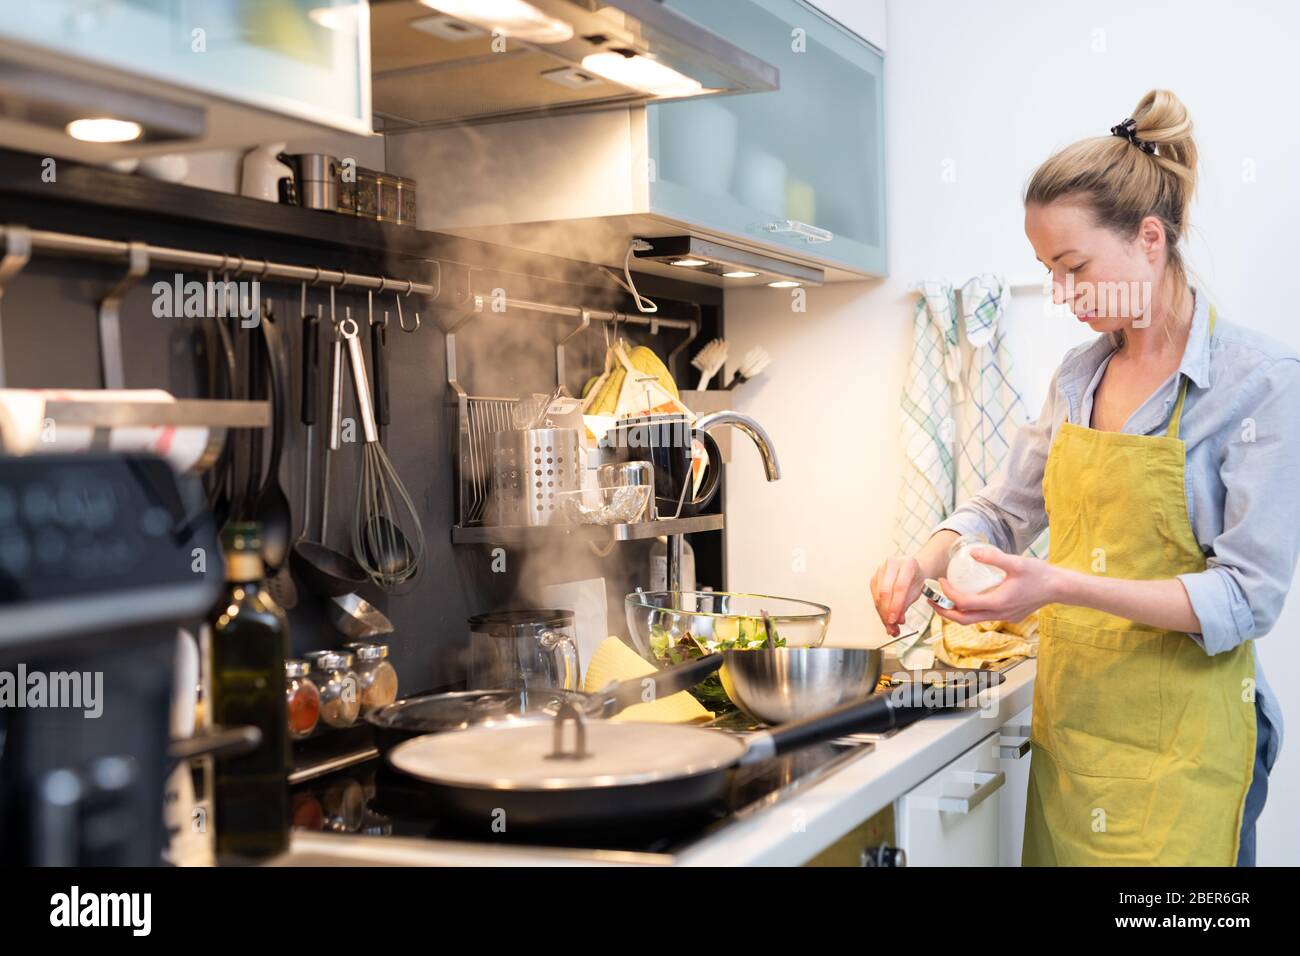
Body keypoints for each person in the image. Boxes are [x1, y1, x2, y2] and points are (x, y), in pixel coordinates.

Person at [870, 89, 1299, 866]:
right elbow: (1004, 511)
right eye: (1047, 271)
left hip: (1189, 750)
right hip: (1080, 739)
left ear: (1149, 239)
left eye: (1073, 268)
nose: (1061, 295)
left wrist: (1061, 586)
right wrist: (923, 557)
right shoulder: (1078, 377)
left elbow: (1247, 598)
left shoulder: (1258, 382)